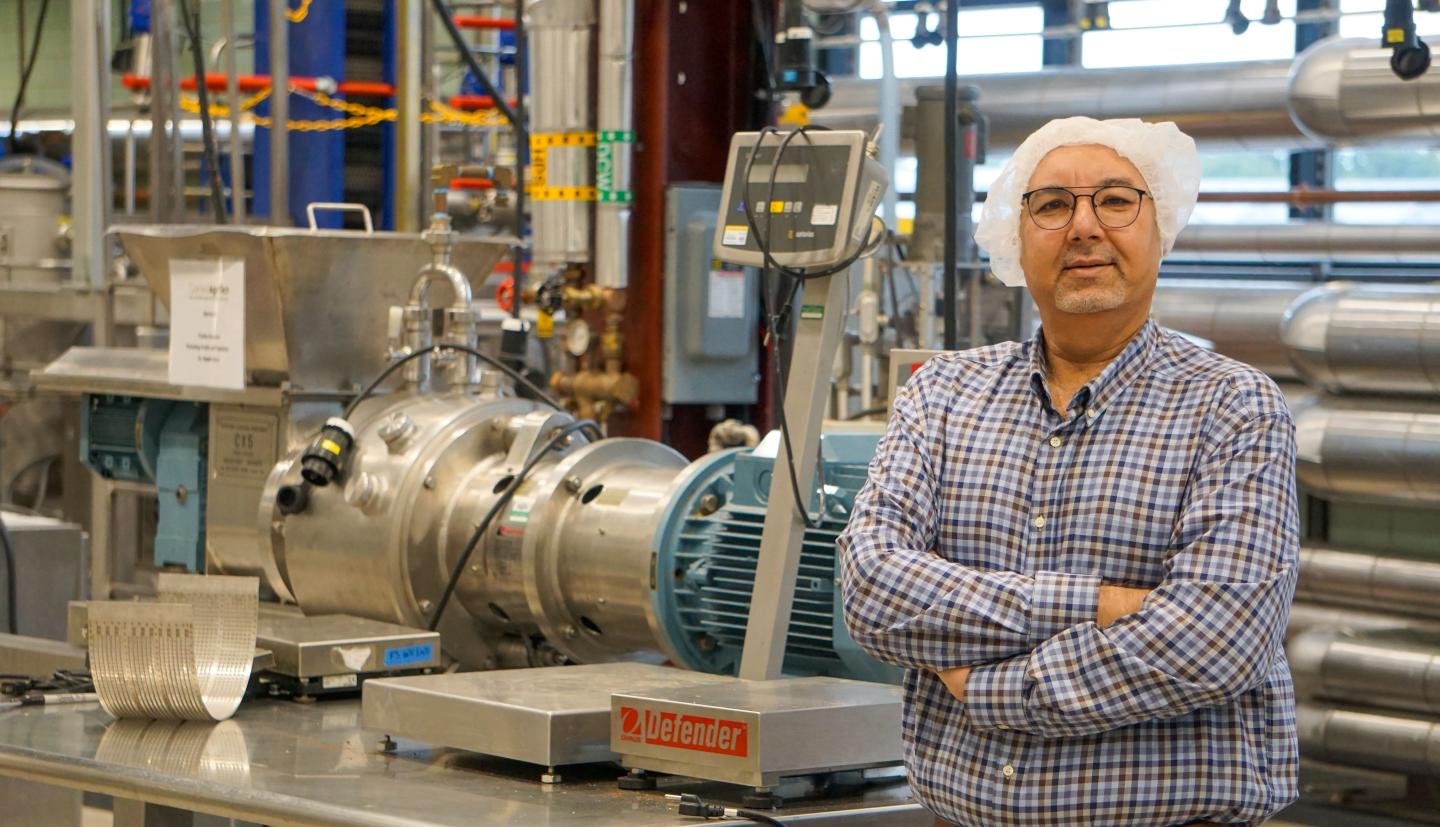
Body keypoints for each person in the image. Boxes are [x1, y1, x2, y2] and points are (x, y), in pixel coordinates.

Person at [837, 117, 1299, 827]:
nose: (1084, 226)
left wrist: (991, 688)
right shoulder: (943, 393)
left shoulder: (1232, 405)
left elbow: (1214, 641)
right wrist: (1100, 604)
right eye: (1052, 205)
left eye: (1116, 201)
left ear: (1160, 227)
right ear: (1016, 240)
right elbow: (871, 590)